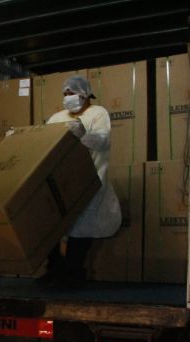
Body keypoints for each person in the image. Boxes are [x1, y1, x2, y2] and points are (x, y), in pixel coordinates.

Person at [44, 74, 121, 283]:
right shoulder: (57, 117)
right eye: (65, 93)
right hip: (61, 181)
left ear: (85, 94)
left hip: (91, 178)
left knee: (82, 226)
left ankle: (73, 272)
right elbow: (43, 140)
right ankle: (55, 269)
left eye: (72, 93)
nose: (68, 97)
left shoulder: (98, 113)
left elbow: (103, 140)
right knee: (49, 225)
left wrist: (81, 134)